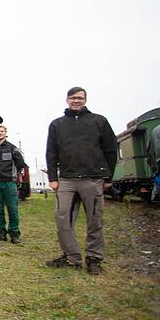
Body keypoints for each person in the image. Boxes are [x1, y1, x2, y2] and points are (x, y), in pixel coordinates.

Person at [45, 87, 117, 275]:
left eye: (80, 98)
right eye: (73, 98)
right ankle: (71, 257)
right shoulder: (56, 124)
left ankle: (94, 258)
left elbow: (110, 149)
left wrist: (108, 177)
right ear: (67, 100)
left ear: (85, 100)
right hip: (67, 180)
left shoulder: (99, 121)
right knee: (62, 218)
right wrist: (53, 177)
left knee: (94, 219)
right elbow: (51, 152)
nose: (76, 101)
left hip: (92, 179)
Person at [0, 124, 25, 244]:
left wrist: (12, 176)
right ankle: (1, 233)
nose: (0, 133)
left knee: (12, 209)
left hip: (9, 183)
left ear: (5, 133)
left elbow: (20, 164)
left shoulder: (13, 148)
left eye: (2, 131)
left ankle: (14, 234)